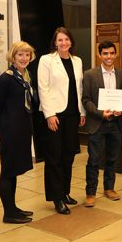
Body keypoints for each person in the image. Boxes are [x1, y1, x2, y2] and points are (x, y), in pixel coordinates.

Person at [38, 27, 86, 215]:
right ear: (55, 43)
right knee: (54, 157)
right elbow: (43, 88)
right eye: (60, 40)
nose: (63, 43)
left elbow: (79, 89)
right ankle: (56, 197)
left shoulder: (77, 61)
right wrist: (49, 114)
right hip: (56, 115)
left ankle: (65, 192)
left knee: (69, 155)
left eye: (66, 39)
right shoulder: (46, 60)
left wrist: (82, 112)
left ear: (71, 42)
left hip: (73, 114)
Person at [0, 41, 36, 223]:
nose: (24, 58)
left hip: (23, 130)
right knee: (7, 171)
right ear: (13, 56)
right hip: (10, 132)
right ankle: (8, 213)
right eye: (20, 55)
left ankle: (13, 207)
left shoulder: (26, 76)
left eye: (27, 55)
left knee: (14, 170)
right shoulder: (6, 79)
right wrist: (2, 132)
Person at [82, 41, 122, 207]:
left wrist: (121, 109)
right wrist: (100, 113)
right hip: (97, 123)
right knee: (94, 159)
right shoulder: (90, 74)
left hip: (115, 123)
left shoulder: (121, 75)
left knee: (113, 158)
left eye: (111, 53)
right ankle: (90, 192)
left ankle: (109, 188)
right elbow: (86, 100)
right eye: (105, 53)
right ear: (99, 55)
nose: (109, 56)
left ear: (116, 54)